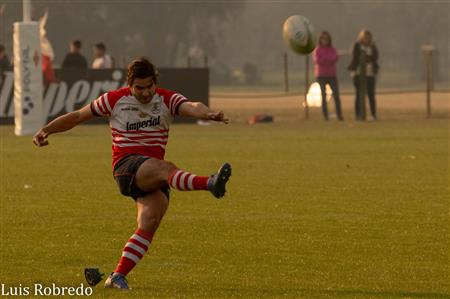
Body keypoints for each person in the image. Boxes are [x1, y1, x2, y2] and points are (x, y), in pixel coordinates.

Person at [32, 57, 232, 290]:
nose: (146, 92)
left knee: (150, 221)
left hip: (151, 173)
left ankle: (116, 276)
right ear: (130, 85)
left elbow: (192, 106)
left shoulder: (165, 99)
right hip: (126, 167)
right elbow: (77, 117)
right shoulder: (114, 100)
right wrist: (46, 129)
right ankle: (210, 183)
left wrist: (208, 114)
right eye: (140, 88)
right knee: (166, 167)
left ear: (155, 83)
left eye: (149, 86)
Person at [348, 29, 379, 120]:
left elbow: (375, 57)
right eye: (365, 37)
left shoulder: (373, 47)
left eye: (368, 37)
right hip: (358, 74)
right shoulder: (357, 46)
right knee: (358, 95)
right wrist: (365, 58)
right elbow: (357, 57)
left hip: (370, 74)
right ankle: (358, 115)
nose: (367, 39)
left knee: (371, 95)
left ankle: (373, 114)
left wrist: (366, 58)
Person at [312, 31, 343, 121]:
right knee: (323, 96)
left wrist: (326, 59)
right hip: (321, 75)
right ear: (320, 40)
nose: (325, 40)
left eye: (326, 38)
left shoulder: (332, 49)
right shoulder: (317, 50)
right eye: (323, 38)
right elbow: (318, 60)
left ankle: (339, 115)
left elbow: (335, 58)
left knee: (336, 95)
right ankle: (325, 116)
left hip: (332, 75)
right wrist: (329, 60)